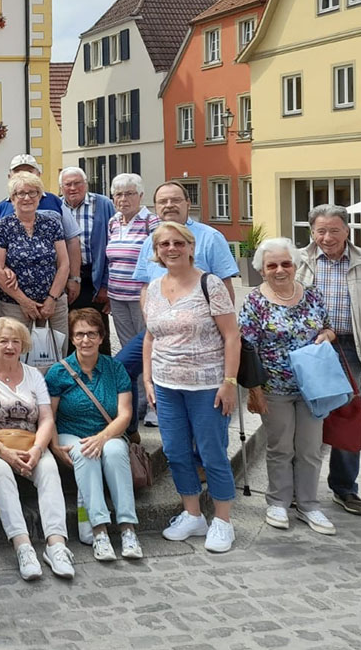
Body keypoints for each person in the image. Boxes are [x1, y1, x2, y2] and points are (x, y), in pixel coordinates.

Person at [142, 221, 241, 553]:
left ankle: (223, 520)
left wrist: (229, 382)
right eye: (164, 245)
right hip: (166, 384)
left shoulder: (209, 284)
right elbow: (150, 336)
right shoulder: (154, 288)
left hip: (207, 384)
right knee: (175, 451)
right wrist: (147, 379)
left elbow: (231, 335)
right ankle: (192, 513)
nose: (171, 249)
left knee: (212, 453)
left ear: (189, 246)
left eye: (178, 243)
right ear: (156, 252)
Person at [294, 204, 361, 517]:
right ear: (312, 231)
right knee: (306, 419)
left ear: (347, 231)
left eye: (334, 230)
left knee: (348, 419)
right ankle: (300, 489)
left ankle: (345, 488)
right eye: (321, 230)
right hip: (310, 348)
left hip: (350, 347)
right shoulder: (299, 260)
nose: (327, 237)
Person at [239, 238, 337, 536]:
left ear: (295, 265)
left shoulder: (312, 295)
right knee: (280, 447)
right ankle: (278, 502)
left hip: (313, 385)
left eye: (286, 263)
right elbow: (246, 347)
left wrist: (328, 336)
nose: (280, 270)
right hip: (275, 386)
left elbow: (328, 326)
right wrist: (254, 391)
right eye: (272, 265)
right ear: (262, 269)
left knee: (310, 448)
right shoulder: (255, 302)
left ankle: (308, 504)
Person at [0, 318, 74, 580]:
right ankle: (23, 545)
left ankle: (56, 544)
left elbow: (47, 418)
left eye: (15, 341)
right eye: (3, 341)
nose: (10, 346)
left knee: (48, 468)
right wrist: (5, 453)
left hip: (28, 441)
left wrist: (38, 449)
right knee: (2, 471)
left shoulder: (34, 375)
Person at [46, 309, 142, 561]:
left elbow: (124, 415)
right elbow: (49, 416)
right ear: (72, 338)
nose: (85, 340)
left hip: (108, 433)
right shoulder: (59, 372)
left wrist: (102, 437)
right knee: (86, 453)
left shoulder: (115, 368)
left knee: (115, 450)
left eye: (91, 334)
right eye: (79, 335)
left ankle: (127, 529)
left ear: (101, 337)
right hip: (70, 433)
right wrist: (55, 445)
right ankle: (99, 530)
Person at [0, 171, 70, 338]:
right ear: (12, 198)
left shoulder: (51, 224)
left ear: (39, 196)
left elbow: (64, 264)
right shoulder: (3, 226)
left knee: (56, 352)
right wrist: (24, 302)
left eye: (33, 192)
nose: (27, 198)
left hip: (54, 303)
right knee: (15, 352)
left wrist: (52, 299)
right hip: (15, 305)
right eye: (20, 193)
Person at [105, 173, 160, 424]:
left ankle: (153, 406)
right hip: (117, 295)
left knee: (150, 351)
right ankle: (135, 405)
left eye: (129, 193)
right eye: (118, 194)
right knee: (130, 351)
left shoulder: (152, 221)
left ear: (140, 196)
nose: (123, 199)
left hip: (143, 297)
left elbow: (160, 259)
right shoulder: (113, 221)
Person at [132, 181, 239, 302]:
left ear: (188, 203)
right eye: (162, 201)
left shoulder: (210, 237)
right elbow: (146, 287)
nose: (169, 205)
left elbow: (225, 285)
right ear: (155, 207)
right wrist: (148, 318)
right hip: (159, 318)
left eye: (176, 200)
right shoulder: (149, 242)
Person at [0, 154, 81, 284]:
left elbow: (72, 240)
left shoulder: (54, 202)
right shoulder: (1, 208)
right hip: (12, 289)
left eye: (29, 171)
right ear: (9, 177)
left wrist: (74, 278)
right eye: (18, 172)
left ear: (39, 175)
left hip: (55, 285)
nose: (24, 175)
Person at [59, 167, 116, 353]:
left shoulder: (103, 204)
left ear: (86, 185)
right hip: (66, 276)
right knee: (69, 329)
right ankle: (73, 376)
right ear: (61, 187)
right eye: (68, 184)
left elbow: (112, 244)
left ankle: (103, 376)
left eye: (78, 183)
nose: (73, 188)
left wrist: (106, 284)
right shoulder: (56, 207)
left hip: (94, 276)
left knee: (97, 329)